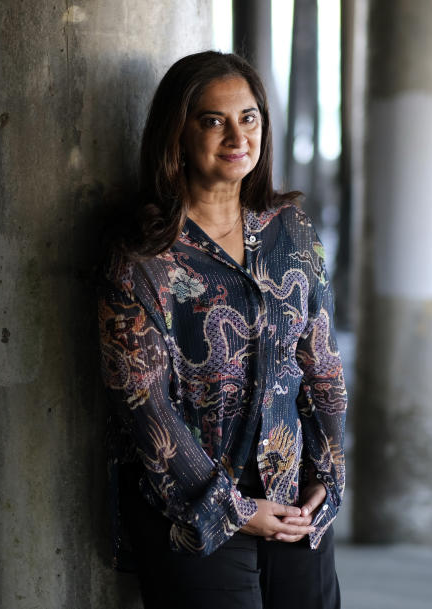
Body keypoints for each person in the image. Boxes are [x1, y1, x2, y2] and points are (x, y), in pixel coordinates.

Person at [97, 51, 347, 609]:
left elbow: (322, 365)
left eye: (250, 117)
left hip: (293, 505)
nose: (238, 135)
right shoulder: (142, 257)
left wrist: (326, 479)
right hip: (193, 517)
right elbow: (143, 406)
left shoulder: (291, 230)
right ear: (178, 135)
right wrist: (234, 508)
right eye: (214, 120)